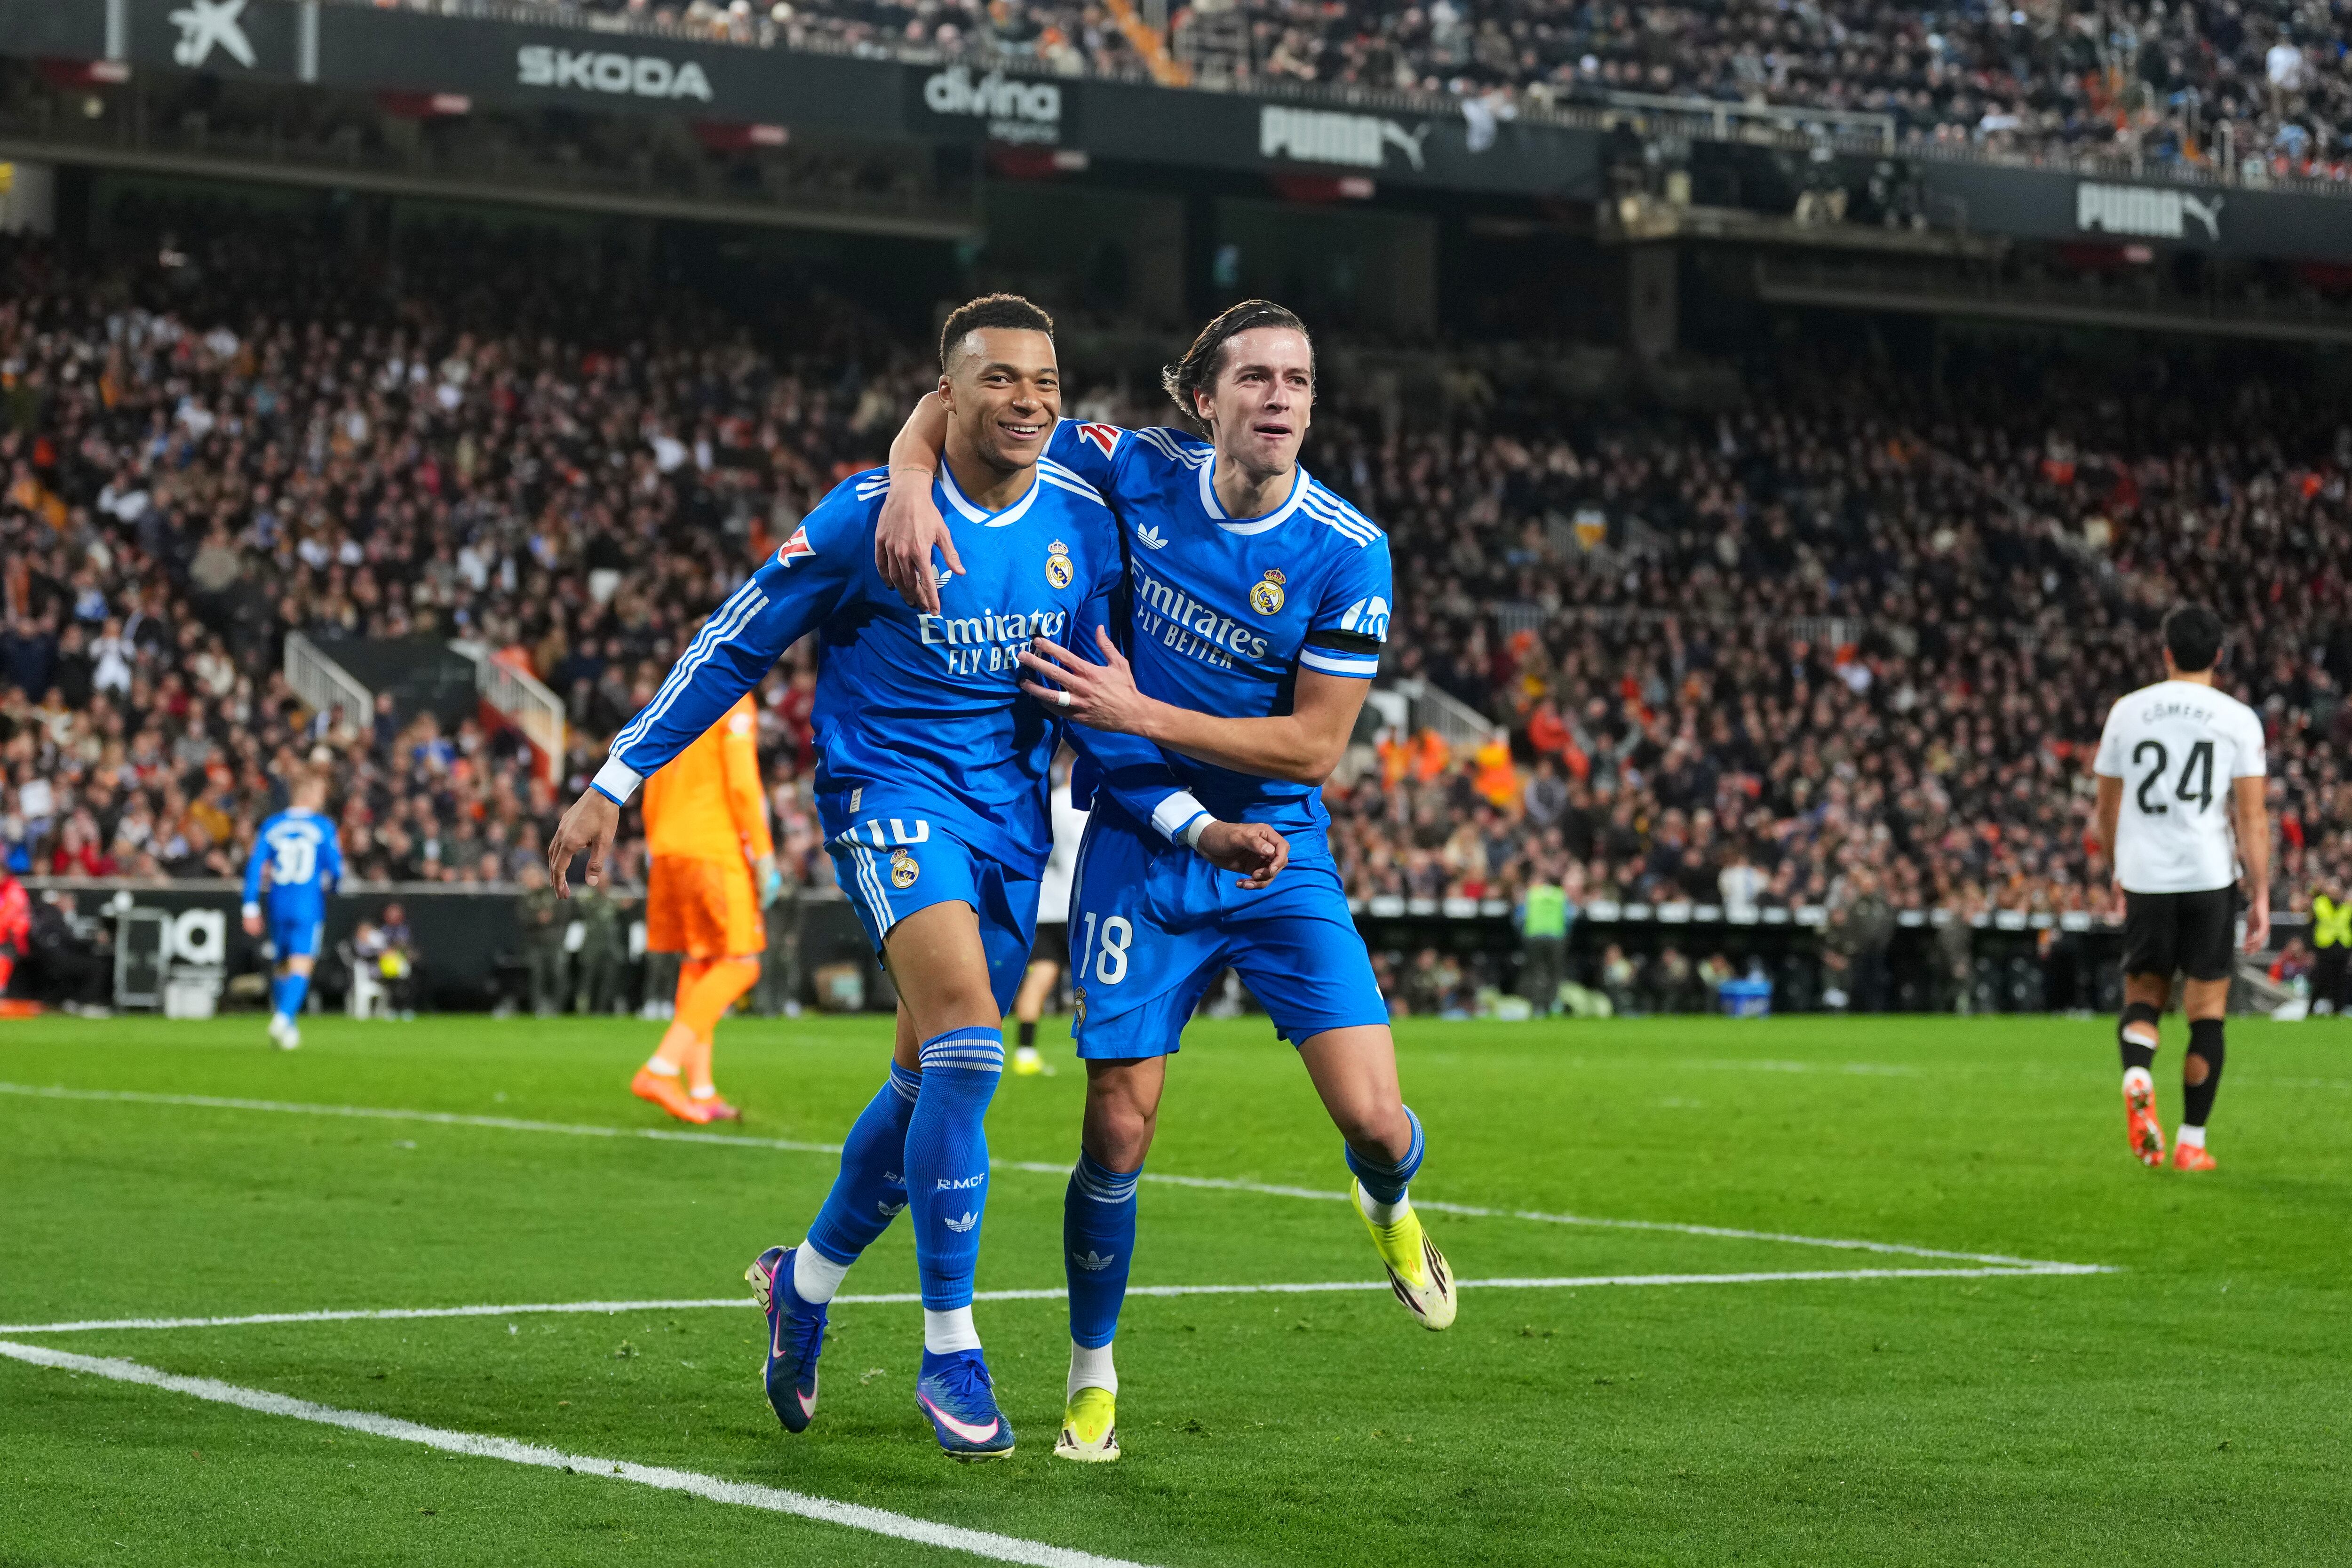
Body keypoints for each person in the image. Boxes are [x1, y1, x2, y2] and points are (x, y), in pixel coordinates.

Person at [545, 294, 1283, 1463]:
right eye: (997, 381)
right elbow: (732, 641)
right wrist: (614, 779)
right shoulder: (862, 520)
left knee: (920, 1093)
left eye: (1043, 381)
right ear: (946, 395)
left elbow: (1099, 706)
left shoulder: (1091, 505)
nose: (1027, 401)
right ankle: (951, 1348)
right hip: (888, 800)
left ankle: (807, 1280)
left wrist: (1193, 823)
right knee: (971, 1048)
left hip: (1006, 825)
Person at [877, 298, 1454, 1465]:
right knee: (1117, 1129)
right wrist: (902, 481)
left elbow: (1311, 749)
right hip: (1143, 846)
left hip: (1280, 848)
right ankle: (1093, 1376)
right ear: (1205, 399)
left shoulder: (1348, 550)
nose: (1280, 400)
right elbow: (966, 403)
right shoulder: (1129, 469)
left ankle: (1388, 1202)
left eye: (1297, 381)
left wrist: (1142, 710)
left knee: (1376, 1122)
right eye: (1256, 380)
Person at [2092, 605, 2270, 1173]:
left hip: (2145, 874)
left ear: (2165, 652)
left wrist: (2116, 867)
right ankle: (2191, 1142)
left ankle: (2137, 1075)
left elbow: (2105, 805)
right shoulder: (2236, 718)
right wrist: (2261, 891)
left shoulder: (2126, 711)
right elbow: (2252, 817)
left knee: (2142, 997)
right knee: (2206, 1012)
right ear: (2218, 655)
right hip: (2208, 874)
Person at [629, 694, 779, 1124]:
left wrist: (660, 847)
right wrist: (764, 854)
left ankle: (701, 1090)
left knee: (701, 962)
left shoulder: (678, 693)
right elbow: (741, 783)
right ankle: (660, 1069)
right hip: (712, 848)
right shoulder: (735, 698)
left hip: (668, 846)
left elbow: (649, 772)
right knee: (742, 964)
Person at [240, 770, 343, 1049]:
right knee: (302, 963)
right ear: (309, 794)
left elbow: (254, 867)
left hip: (278, 902)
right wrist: (333, 888)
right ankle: (283, 1018)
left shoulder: (272, 825)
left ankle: (288, 1027)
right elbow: (336, 869)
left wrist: (250, 906)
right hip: (307, 903)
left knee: (283, 964)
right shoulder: (323, 827)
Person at [1009, 751, 1086, 1075]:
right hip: (1075, 904)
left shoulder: (1044, 802)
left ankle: (1025, 1053)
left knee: (1040, 977)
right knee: (1097, 983)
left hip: (1043, 905)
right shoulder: (1081, 806)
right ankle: (1106, 1054)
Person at [1517, 856, 1572, 1014]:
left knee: (1534, 972)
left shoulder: (1531, 895)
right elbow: (1569, 918)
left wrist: (1524, 934)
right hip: (1556, 938)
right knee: (1555, 972)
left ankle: (1536, 1007)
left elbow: (1520, 917)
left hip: (1534, 937)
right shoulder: (1560, 895)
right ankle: (1551, 1005)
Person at [515, 862, 569, 1017]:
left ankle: (557, 1008)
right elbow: (522, 917)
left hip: (555, 941)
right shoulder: (525, 898)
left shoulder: (554, 892)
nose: (528, 881)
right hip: (534, 943)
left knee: (558, 974)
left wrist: (550, 919)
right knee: (537, 975)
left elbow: (564, 911)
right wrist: (538, 919)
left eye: (531, 877)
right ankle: (537, 1008)